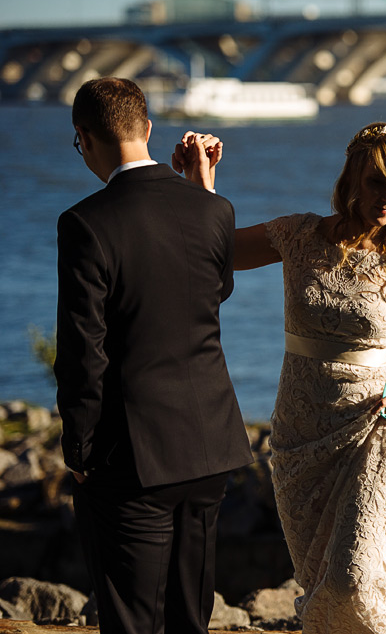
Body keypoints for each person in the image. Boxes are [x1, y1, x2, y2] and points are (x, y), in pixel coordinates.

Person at [177, 122, 386, 633]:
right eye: (378, 182)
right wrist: (202, 180)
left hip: (375, 427)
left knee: (354, 579)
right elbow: (214, 250)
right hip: (299, 434)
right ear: (353, 179)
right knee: (320, 577)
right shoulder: (299, 234)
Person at [55, 77, 253, 634]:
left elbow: (82, 352)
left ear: (84, 138)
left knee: (132, 620)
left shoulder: (86, 223)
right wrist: (202, 188)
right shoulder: (215, 209)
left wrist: (80, 451)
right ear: (147, 128)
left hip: (131, 458)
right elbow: (215, 291)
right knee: (191, 618)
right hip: (211, 447)